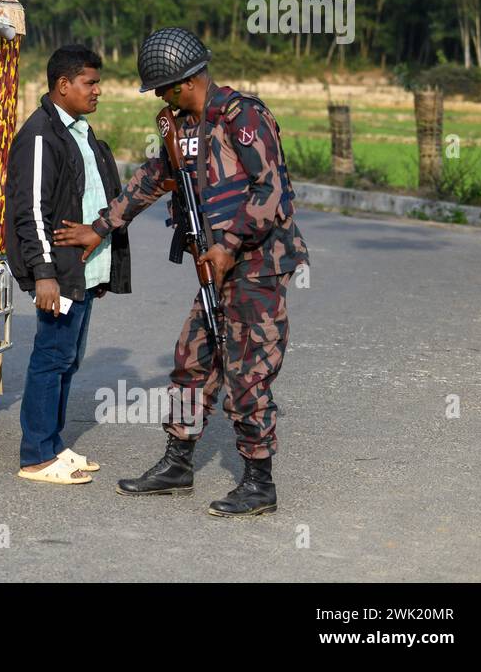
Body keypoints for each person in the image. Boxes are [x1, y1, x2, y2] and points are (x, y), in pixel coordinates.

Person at [58, 26, 308, 516]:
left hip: (256, 267)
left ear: (185, 82)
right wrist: (100, 227)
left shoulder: (244, 117)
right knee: (193, 361)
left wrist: (230, 245)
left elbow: (271, 192)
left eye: (164, 91)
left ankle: (259, 482)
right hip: (214, 269)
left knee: (248, 372)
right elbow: (154, 178)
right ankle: (179, 464)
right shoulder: (182, 129)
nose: (162, 102)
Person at [6, 45, 130, 485]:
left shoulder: (80, 130)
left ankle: (54, 445)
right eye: (90, 83)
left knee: (68, 359)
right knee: (50, 356)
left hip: (82, 270)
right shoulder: (40, 135)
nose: (98, 91)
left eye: (97, 82)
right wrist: (44, 273)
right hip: (57, 273)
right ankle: (36, 456)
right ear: (63, 86)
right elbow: (29, 211)